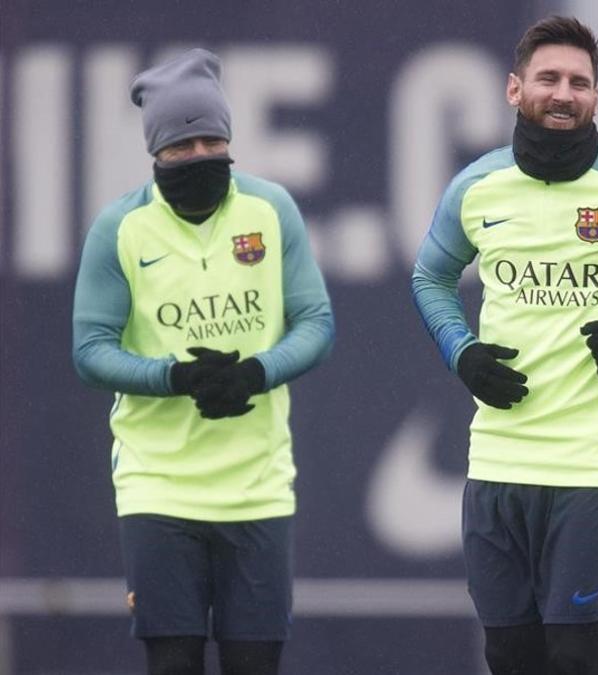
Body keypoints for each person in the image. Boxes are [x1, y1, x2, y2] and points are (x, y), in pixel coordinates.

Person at [411, 16, 598, 675]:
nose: (564, 92)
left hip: (592, 463)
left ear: (596, 99)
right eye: (548, 78)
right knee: (510, 652)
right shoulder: (476, 187)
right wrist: (461, 352)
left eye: (580, 82)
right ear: (514, 89)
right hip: (498, 457)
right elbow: (430, 275)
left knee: (573, 653)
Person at [71, 48, 334, 675]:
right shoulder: (120, 228)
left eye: (213, 142)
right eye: (180, 149)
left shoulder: (270, 212)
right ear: (155, 155)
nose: (199, 158)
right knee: (173, 665)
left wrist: (256, 372)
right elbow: (90, 351)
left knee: (254, 665)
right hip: (158, 485)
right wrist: (176, 377)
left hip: (257, 486)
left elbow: (317, 323)